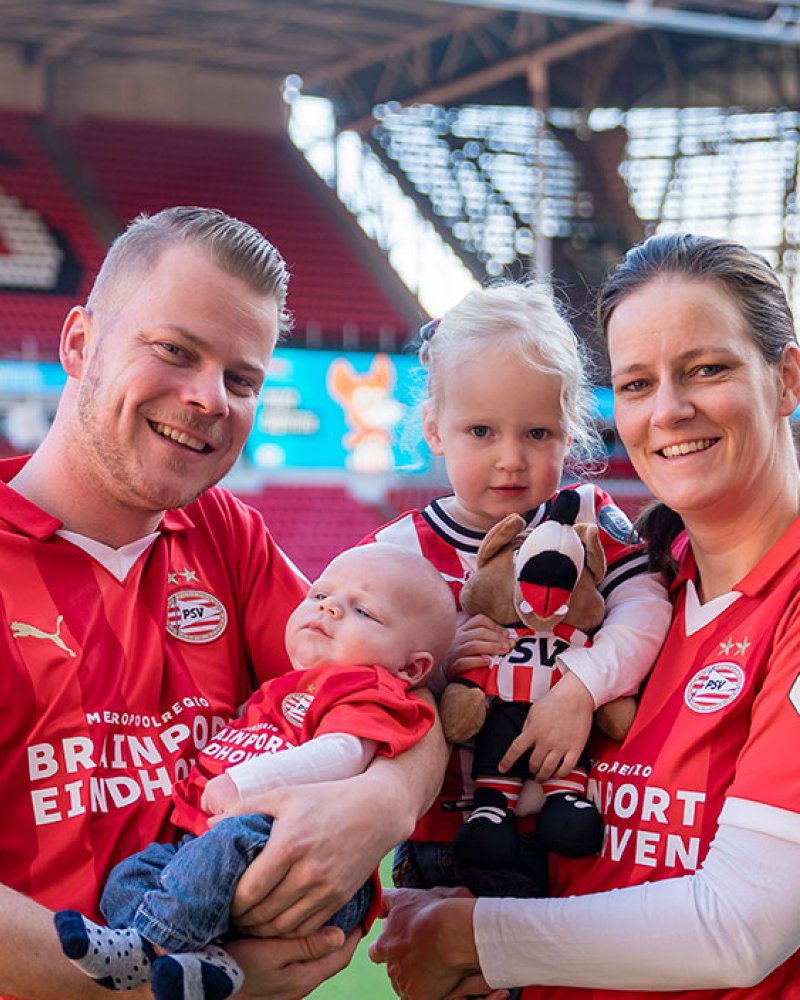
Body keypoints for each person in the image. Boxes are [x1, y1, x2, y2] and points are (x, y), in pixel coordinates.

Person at [0, 206, 448, 1000]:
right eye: (175, 350)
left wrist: (387, 801)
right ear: (78, 344)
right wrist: (167, 989)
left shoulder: (225, 535)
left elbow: (392, 694)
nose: (210, 398)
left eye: (242, 379)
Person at [369, 233, 800, 998]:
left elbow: (740, 927)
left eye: (708, 368)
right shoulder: (633, 589)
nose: (669, 410)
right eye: (636, 383)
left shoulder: (763, 601)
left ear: (787, 377)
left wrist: (467, 938)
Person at [362, 281, 672, 899]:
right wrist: (441, 665)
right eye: (481, 431)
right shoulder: (397, 552)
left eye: (537, 434)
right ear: (435, 429)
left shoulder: (586, 517)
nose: (510, 459)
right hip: (448, 839)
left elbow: (647, 608)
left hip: (573, 824)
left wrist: (583, 684)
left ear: (570, 432)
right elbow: (355, 676)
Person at [54, 542, 456, 1000]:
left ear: (411, 667)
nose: (327, 607)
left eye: (363, 611)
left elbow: (343, 752)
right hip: (218, 848)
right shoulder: (287, 685)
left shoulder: (367, 688)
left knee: (228, 840)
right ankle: (200, 964)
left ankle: (153, 947)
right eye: (318, 594)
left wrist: (243, 783)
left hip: (287, 851)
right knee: (133, 873)